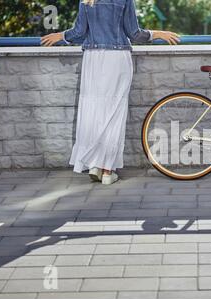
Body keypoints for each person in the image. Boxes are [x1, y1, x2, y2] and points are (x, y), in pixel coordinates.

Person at [41, 0, 179, 185]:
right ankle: (107, 171)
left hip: (93, 59)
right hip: (117, 58)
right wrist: (158, 33)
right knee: (114, 113)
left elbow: (79, 32)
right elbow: (134, 33)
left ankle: (95, 165)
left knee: (94, 111)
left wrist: (60, 36)